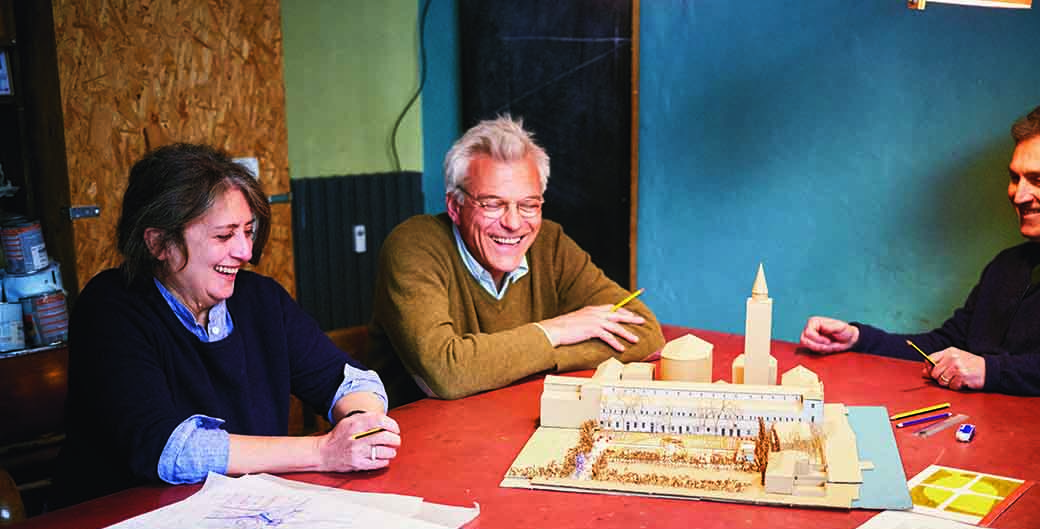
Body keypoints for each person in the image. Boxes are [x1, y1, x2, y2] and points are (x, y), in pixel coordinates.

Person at [56, 143, 400, 506]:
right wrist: (323, 450)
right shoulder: (110, 309)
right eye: (224, 236)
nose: (245, 252)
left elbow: (349, 379)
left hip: (242, 516)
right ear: (159, 243)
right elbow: (168, 448)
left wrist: (361, 426)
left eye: (248, 232)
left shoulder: (260, 299)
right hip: (119, 524)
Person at [800, 100, 1040, 397]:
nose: (1019, 195)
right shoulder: (1006, 266)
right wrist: (858, 339)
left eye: (1039, 180)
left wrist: (990, 371)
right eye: (1014, 178)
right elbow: (943, 347)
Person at [364, 115, 665, 406]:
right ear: (455, 207)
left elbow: (646, 333)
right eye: (493, 204)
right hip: (417, 439)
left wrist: (516, 361)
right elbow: (446, 372)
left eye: (528, 205)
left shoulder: (550, 242)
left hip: (510, 421)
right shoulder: (414, 245)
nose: (513, 223)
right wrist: (556, 331)